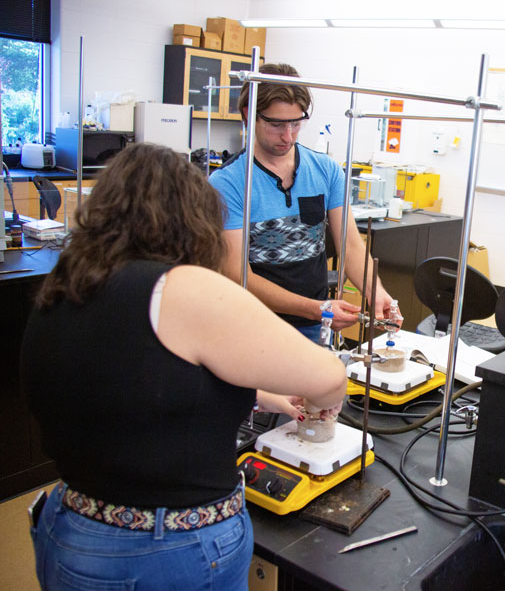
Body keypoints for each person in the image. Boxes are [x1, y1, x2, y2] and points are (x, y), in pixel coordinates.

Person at [21, 143, 347, 591]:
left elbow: (139, 380)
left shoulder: (68, 282)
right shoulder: (182, 287)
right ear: (192, 217)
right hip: (165, 548)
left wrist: (268, 396)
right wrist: (321, 409)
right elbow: (329, 377)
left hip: (73, 525)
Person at [209, 62, 401, 341]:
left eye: (296, 124)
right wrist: (317, 309)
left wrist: (377, 293)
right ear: (249, 115)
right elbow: (239, 275)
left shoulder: (326, 170)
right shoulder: (228, 183)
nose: (288, 136)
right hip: (251, 328)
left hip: (314, 328)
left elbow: (350, 246)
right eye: (276, 125)